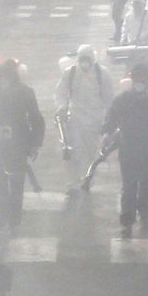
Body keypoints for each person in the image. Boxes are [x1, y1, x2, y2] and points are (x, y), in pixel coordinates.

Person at [101, 62, 148, 238]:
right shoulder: (123, 99)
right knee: (129, 184)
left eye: (141, 78)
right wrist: (106, 133)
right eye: (135, 78)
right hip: (128, 147)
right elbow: (112, 117)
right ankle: (127, 218)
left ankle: (144, 209)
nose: (138, 82)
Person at [0, 58, 43, 233]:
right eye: (1, 78)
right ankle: (1, 215)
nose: (4, 81)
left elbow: (36, 119)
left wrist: (35, 144)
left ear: (13, 77)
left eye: (7, 77)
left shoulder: (26, 93)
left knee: (16, 182)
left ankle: (14, 220)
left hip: (19, 143)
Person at [54, 44, 106, 199]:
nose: (85, 63)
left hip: (94, 118)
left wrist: (110, 117)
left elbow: (109, 97)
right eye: (82, 59)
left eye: (87, 59)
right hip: (75, 117)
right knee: (72, 151)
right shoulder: (69, 73)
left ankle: (87, 180)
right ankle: (72, 183)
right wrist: (62, 107)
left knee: (91, 152)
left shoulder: (102, 74)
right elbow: (61, 93)